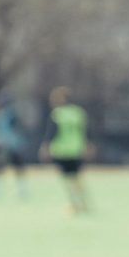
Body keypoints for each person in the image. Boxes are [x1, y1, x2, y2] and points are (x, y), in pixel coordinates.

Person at [43, 86, 90, 214]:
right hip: (76, 149)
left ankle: (74, 204)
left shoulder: (58, 114)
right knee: (77, 178)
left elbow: (52, 132)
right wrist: (87, 145)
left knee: (67, 179)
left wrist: (46, 147)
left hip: (62, 150)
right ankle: (84, 203)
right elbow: (84, 131)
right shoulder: (78, 112)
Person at [0, 97, 30, 199]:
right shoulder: (4, 114)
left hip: (10, 146)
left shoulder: (10, 115)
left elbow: (15, 130)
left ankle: (21, 191)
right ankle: (20, 191)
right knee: (10, 168)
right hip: (7, 145)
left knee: (4, 168)